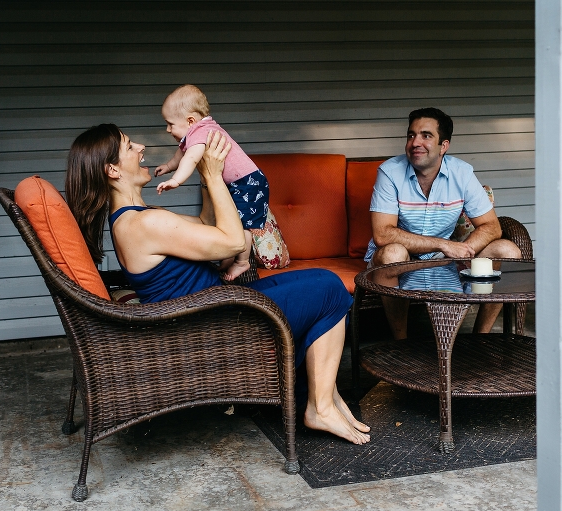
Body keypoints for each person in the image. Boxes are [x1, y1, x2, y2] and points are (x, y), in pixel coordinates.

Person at [64, 123, 370, 445]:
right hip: (218, 322)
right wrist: (211, 175)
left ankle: (324, 396)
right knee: (331, 291)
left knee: (320, 279)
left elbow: (208, 224)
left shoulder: (140, 216)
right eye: (129, 146)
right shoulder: (143, 223)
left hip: (219, 305)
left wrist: (205, 169)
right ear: (112, 169)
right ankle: (319, 407)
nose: (141, 147)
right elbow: (233, 241)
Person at [364, 107, 521, 339]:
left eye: (426, 136)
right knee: (392, 254)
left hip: (443, 260)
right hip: (402, 257)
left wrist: (464, 250)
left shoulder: (462, 173)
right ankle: (401, 344)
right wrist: (442, 244)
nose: (415, 142)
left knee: (507, 250)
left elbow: (492, 226)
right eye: (411, 135)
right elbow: (383, 235)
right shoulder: (389, 172)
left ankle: (480, 338)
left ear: (443, 146)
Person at [154, 84, 267, 281]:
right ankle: (229, 256)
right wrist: (169, 166)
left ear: (190, 121)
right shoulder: (197, 131)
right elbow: (181, 153)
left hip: (249, 183)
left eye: (170, 124)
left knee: (241, 224)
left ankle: (242, 261)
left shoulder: (201, 132)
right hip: (241, 182)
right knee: (229, 220)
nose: (167, 129)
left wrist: (176, 180)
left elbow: (191, 158)